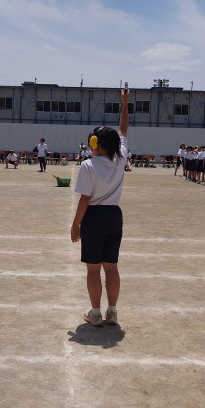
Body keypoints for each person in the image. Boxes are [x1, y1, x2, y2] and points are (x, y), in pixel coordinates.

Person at [71, 86, 129, 327]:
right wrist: (125, 103)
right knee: (111, 267)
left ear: (95, 143)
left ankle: (95, 313)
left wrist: (76, 224)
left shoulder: (89, 165)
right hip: (114, 214)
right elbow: (123, 130)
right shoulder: (121, 157)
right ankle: (112, 312)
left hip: (94, 217)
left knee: (93, 269)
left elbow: (85, 199)